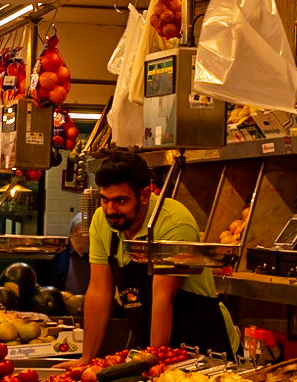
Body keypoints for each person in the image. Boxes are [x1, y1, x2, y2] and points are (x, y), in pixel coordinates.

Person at [79, 151, 235, 361]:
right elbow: (99, 292)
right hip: (155, 346)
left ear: (144, 196)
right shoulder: (102, 220)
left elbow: (162, 298)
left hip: (205, 346)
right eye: (105, 200)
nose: (111, 210)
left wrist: (153, 364)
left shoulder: (174, 223)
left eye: (121, 201)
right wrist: (86, 359)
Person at [51, 215, 91, 297]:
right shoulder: (57, 255)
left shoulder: (95, 256)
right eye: (89, 229)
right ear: (76, 230)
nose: (93, 234)